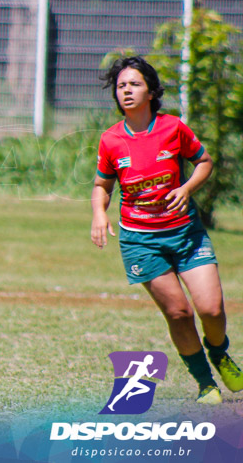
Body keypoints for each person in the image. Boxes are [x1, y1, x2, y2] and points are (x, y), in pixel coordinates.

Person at [91, 55, 243, 404]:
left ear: (151, 91)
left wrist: (186, 188)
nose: (126, 91)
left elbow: (204, 162)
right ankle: (205, 382)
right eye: (121, 86)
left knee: (212, 310)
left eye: (134, 84)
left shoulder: (173, 128)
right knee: (179, 312)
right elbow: (102, 185)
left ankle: (219, 352)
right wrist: (99, 213)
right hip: (141, 241)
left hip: (186, 234)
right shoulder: (111, 139)